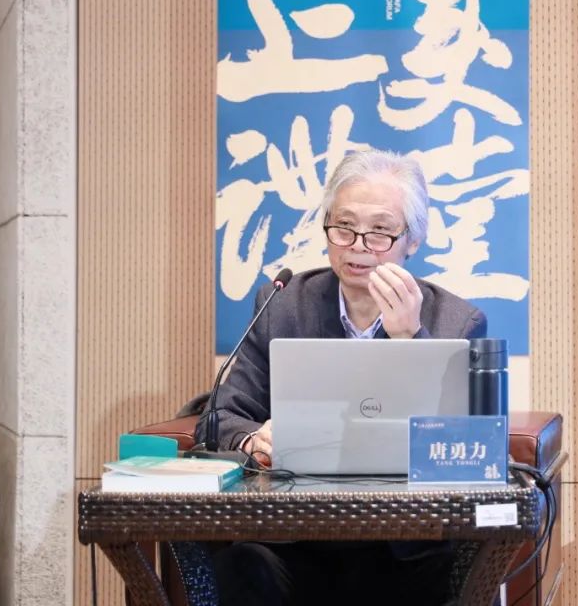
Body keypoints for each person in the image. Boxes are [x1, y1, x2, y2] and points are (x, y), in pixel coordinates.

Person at [200, 149, 487, 605]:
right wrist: (254, 441)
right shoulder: (282, 305)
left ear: (412, 239)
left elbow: (466, 451)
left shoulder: (456, 323)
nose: (358, 245)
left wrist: (410, 338)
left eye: (380, 231)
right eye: (345, 226)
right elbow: (220, 418)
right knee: (242, 563)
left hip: (401, 548)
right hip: (295, 537)